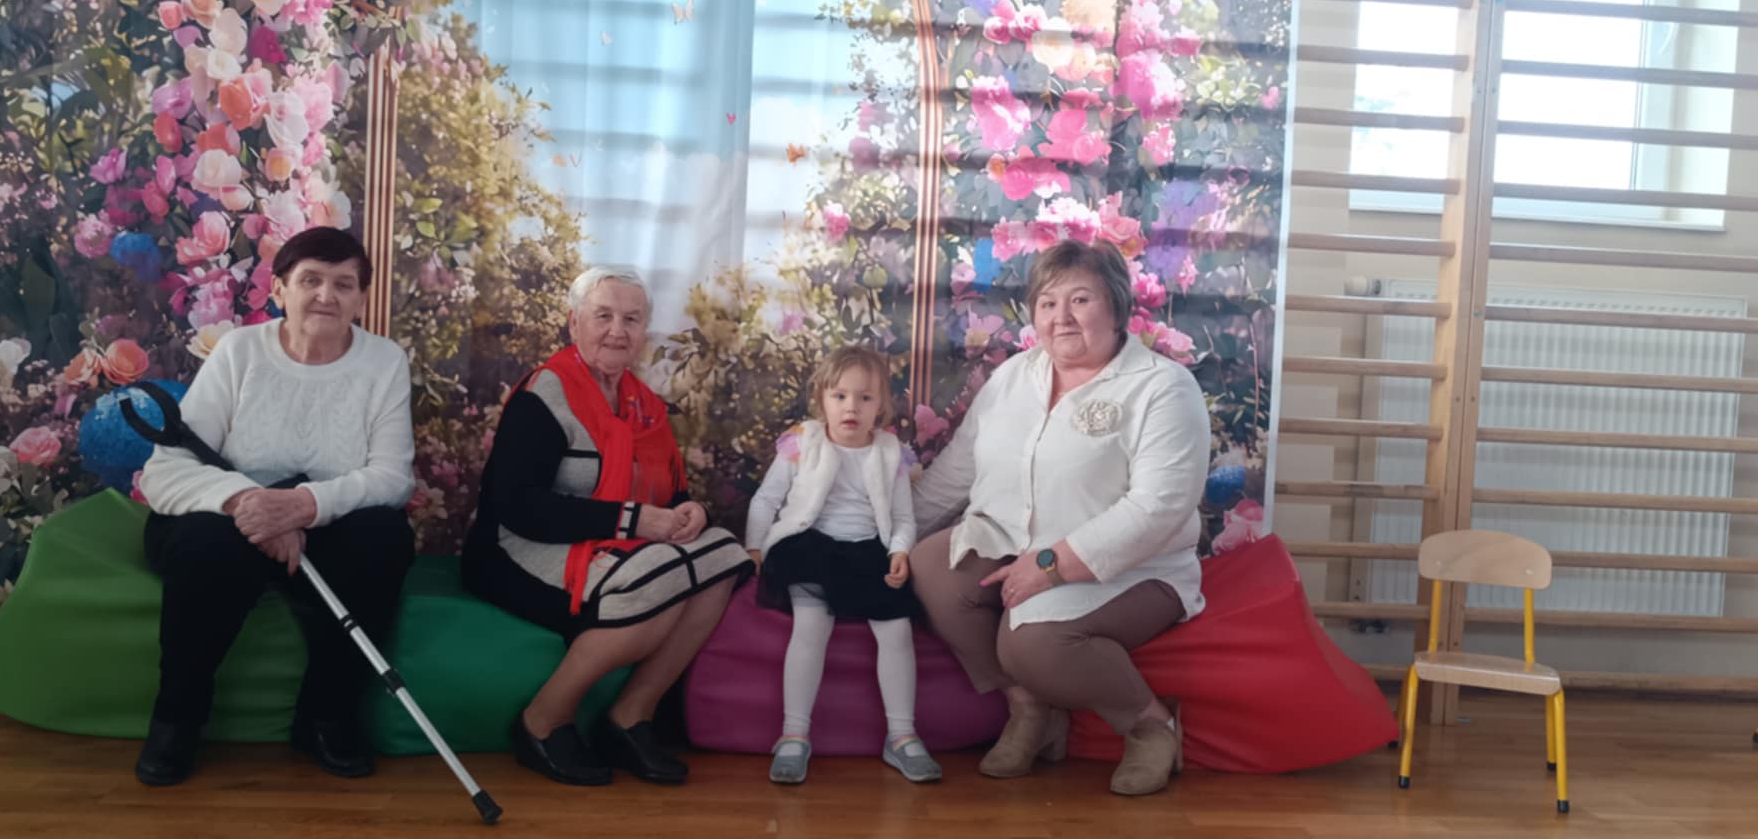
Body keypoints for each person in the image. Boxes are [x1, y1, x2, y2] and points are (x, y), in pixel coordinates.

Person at [909, 239, 1211, 797]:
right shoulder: (1013, 377)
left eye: (1080, 300)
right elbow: (956, 472)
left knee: (1030, 641)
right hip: (1013, 540)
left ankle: (1150, 726)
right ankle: (1031, 709)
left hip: (1134, 568)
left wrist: (1052, 564)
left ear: (1117, 308)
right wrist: (892, 539)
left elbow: (1160, 507)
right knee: (930, 566)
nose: (1061, 317)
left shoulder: (1164, 388)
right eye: (1048, 303)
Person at [132, 227, 417, 786]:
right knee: (206, 546)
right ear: (280, 289)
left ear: (361, 299)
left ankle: (326, 717)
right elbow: (166, 472)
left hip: (323, 522)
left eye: (344, 284)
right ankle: (177, 719)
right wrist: (249, 503)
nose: (326, 296)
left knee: (384, 538)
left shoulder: (384, 362)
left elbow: (392, 477)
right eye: (310, 280)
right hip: (229, 520)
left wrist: (304, 506)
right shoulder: (240, 351)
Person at [463, 265, 751, 787]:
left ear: (643, 331)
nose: (618, 331)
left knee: (723, 557)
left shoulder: (645, 404)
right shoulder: (543, 395)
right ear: (574, 323)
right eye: (603, 316)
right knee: (663, 584)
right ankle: (542, 721)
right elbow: (516, 506)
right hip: (515, 548)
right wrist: (633, 520)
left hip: (615, 545)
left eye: (631, 319)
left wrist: (691, 512)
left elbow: (667, 493)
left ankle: (631, 716)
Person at [745, 345, 940, 786]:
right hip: (808, 545)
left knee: (897, 631)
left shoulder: (891, 452)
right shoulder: (804, 441)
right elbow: (767, 500)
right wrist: (754, 547)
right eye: (840, 396)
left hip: (868, 550)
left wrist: (900, 551)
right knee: (811, 625)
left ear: (881, 407)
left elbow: (904, 517)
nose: (851, 407)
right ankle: (794, 733)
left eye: (865, 398)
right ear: (822, 398)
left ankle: (902, 735)